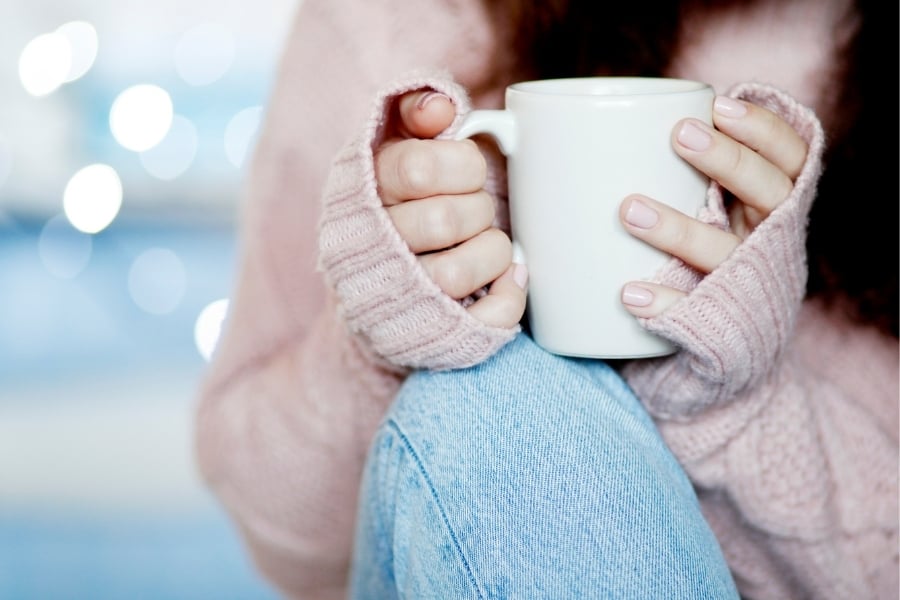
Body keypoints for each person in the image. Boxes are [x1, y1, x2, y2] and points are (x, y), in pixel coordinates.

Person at [194, 0, 899, 598]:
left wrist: (736, 399)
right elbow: (272, 533)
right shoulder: (388, 19)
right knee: (495, 393)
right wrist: (381, 341)